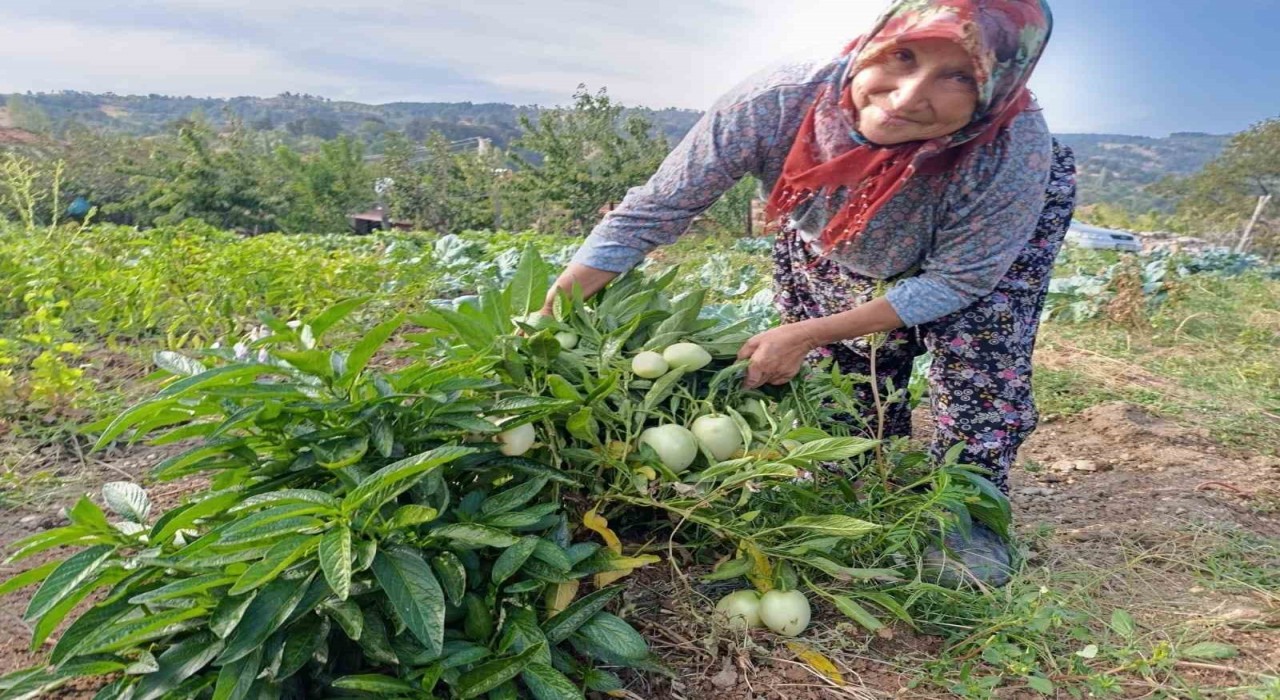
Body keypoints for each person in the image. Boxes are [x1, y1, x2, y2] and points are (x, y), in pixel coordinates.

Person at [539, 0, 1076, 586]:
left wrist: (807, 331)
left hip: (977, 259)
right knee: (842, 379)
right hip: (838, 235)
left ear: (998, 86)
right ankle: (859, 464)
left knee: (982, 363)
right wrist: (550, 313)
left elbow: (961, 279)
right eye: (902, 55)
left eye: (959, 77)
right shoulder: (777, 104)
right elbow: (651, 213)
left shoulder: (1011, 151)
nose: (904, 97)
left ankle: (968, 511)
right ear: (873, 43)